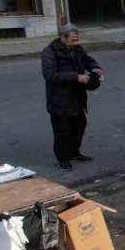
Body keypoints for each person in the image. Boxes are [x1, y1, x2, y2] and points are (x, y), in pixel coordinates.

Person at [41, 24, 103, 170]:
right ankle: (63, 158)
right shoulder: (49, 52)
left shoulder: (77, 49)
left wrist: (96, 68)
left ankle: (74, 153)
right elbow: (50, 75)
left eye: (77, 40)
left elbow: (88, 60)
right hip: (60, 100)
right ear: (63, 38)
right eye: (73, 40)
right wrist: (76, 77)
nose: (76, 43)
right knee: (62, 131)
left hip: (77, 97)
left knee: (79, 127)